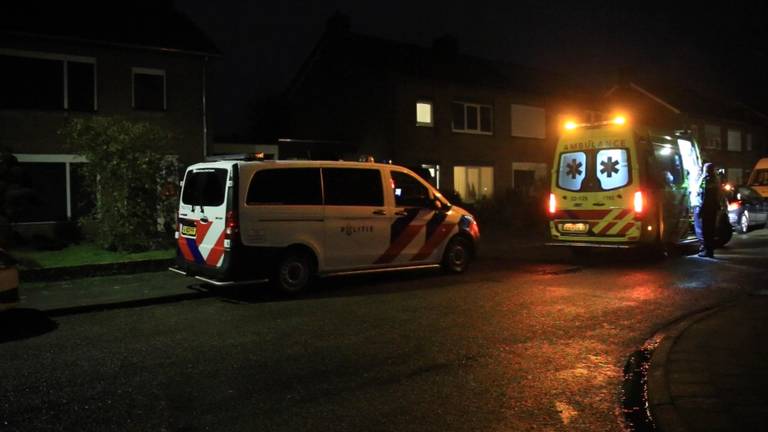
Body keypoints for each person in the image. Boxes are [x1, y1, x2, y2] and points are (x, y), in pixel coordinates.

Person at [695, 162, 722, 258]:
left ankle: (707, 251)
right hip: (713, 208)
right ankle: (710, 251)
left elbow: (704, 195)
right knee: (711, 230)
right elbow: (718, 195)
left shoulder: (706, 180)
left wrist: (701, 209)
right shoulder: (716, 180)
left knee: (705, 231)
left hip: (706, 208)